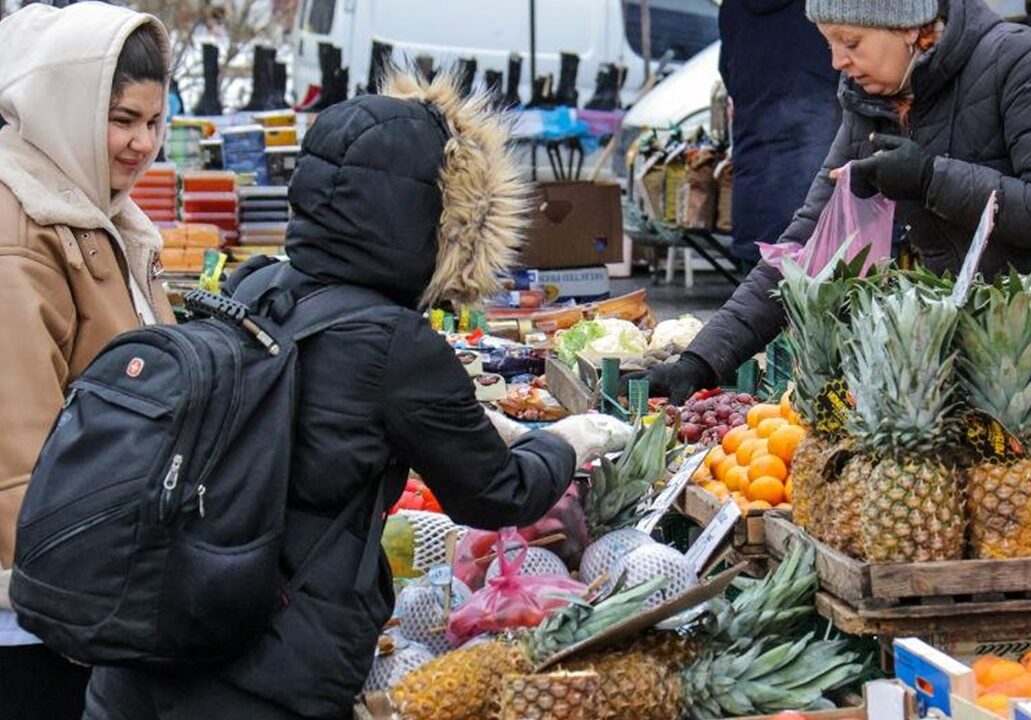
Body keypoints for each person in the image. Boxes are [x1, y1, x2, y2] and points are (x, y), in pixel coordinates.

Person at [81, 70, 630, 719]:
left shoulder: (256, 288)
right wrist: (568, 442)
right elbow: (497, 494)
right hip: (265, 678)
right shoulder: (394, 345)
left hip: (146, 656)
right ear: (442, 215)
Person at [640, 0, 1031, 404]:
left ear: (910, 27)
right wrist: (702, 360)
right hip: (994, 343)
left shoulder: (1016, 61)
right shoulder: (871, 101)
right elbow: (803, 246)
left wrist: (930, 177)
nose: (837, 61)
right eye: (830, 43)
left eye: (851, 42)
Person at [0, 5, 175, 718]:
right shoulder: (23, 230)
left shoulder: (107, 219)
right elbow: (16, 451)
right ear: (66, 109)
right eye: (122, 118)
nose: (142, 144)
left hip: (96, 585)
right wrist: (67, 599)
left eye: (154, 121)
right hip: (37, 615)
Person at [718, 0, 840, 265]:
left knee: (755, 295)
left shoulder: (733, 7)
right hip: (813, 193)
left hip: (754, 188)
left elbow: (728, 73)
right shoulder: (820, 7)